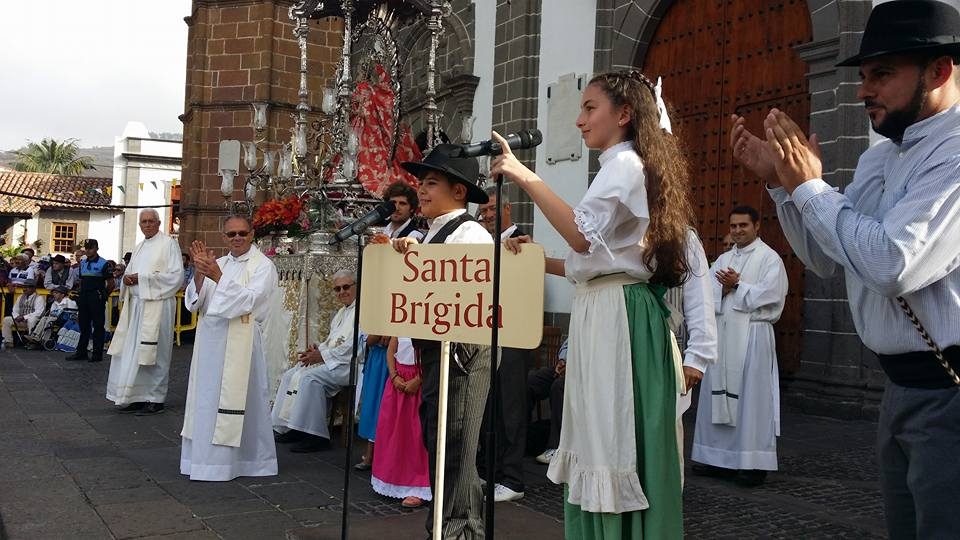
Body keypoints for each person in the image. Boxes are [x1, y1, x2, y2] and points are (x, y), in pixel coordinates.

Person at [731, 2, 960, 535]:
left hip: (948, 394)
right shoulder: (881, 156)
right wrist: (783, 186)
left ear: (940, 70)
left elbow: (890, 263)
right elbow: (829, 258)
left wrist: (810, 187)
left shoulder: (954, 154)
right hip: (900, 390)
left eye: (882, 74)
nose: (863, 91)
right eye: (862, 76)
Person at [491, 70, 717, 538]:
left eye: (590, 107)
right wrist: (536, 259)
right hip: (605, 308)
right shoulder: (623, 166)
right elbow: (592, 262)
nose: (579, 120)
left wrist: (524, 173)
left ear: (624, 114)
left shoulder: (624, 165)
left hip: (619, 317)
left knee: (613, 432)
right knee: (601, 432)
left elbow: (579, 234)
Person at [391, 144, 493, 538]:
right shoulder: (429, 233)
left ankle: (460, 530)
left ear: (459, 192)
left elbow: (470, 297)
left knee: (457, 444)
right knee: (442, 442)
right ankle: (449, 527)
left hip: (464, 353)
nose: (422, 190)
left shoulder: (470, 233)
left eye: (431, 183)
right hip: (437, 351)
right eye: (421, 183)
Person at [691, 206, 788, 486]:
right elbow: (706, 293)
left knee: (750, 401)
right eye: (733, 226)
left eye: (743, 225)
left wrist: (737, 285)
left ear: (757, 226)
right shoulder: (723, 258)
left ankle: (752, 463)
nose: (737, 231)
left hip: (754, 337)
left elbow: (772, 296)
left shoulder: (770, 259)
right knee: (716, 400)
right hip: (724, 335)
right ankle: (718, 459)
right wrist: (722, 288)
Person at [180, 215, 278, 481]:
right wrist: (200, 275)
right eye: (232, 234)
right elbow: (196, 301)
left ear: (252, 234)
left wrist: (216, 275)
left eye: (242, 233)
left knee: (243, 400)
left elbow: (249, 300)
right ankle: (203, 461)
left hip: (242, 341)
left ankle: (245, 461)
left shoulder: (263, 266)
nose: (237, 238)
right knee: (207, 400)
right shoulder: (218, 262)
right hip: (210, 342)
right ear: (224, 237)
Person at [475, 183, 532, 502]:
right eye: (482, 211)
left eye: (492, 210)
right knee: (488, 405)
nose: (486, 216)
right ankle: (490, 470)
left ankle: (514, 478)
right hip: (485, 330)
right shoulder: (482, 242)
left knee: (511, 406)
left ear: (507, 210)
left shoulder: (522, 241)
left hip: (513, 332)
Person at [105, 209, 184, 416]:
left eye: (151, 221)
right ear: (139, 225)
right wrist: (127, 279)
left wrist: (143, 278)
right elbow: (130, 274)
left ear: (158, 223)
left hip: (158, 305)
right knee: (135, 352)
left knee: (156, 353)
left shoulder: (169, 244)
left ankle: (156, 398)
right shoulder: (139, 247)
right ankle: (137, 396)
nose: (147, 225)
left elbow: (176, 276)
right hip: (138, 306)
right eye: (144, 222)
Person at [271, 270, 358, 453]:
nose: (341, 292)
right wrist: (318, 350)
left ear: (356, 286)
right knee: (291, 374)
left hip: (351, 365)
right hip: (335, 360)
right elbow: (331, 341)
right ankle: (293, 427)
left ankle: (316, 436)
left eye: (346, 287)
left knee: (310, 379)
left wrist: (322, 356)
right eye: (337, 289)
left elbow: (354, 347)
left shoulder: (363, 312)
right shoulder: (342, 312)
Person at [371, 336, 432, 509]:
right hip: (398, 379)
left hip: (419, 381)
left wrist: (419, 378)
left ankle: (418, 485)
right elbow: (391, 350)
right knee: (395, 433)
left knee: (416, 435)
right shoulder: (401, 323)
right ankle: (393, 477)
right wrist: (394, 375)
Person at [65, 239, 114, 362]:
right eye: (86, 248)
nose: (88, 250)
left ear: (97, 248)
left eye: (91, 248)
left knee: (98, 326)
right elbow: (82, 281)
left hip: (96, 297)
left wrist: (104, 296)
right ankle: (81, 352)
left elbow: (111, 283)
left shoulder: (104, 263)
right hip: (84, 297)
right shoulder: (82, 263)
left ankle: (97, 354)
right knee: (83, 325)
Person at [527, 338, 568, 465]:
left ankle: (557, 448)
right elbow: (568, 343)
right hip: (568, 365)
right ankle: (520, 439)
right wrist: (563, 360)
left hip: (585, 370)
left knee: (558, 386)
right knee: (530, 381)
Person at [1, 280, 45, 349]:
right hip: (20, 320)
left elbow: (39, 312)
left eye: (27, 287)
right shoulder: (20, 297)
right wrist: (16, 317)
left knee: (32, 319)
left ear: (33, 288)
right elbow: (15, 310)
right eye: (24, 287)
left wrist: (24, 317)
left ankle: (32, 342)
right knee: (6, 319)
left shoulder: (39, 298)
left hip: (32, 322)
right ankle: (8, 342)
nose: (24, 289)